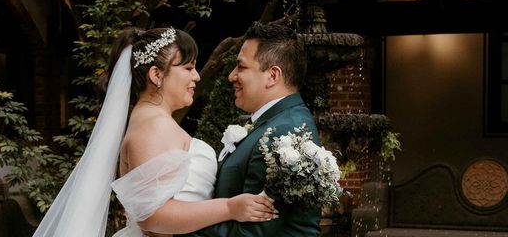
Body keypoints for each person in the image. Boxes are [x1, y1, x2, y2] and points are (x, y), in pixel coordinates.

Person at [32, 26, 276, 237]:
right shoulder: (153, 126)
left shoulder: (150, 120)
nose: (197, 76)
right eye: (189, 67)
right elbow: (153, 218)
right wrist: (230, 208)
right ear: (156, 74)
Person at [181, 21, 322, 237]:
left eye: (241, 67)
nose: (231, 76)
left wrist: (173, 228)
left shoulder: (285, 133)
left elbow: (251, 233)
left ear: (273, 76)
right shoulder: (274, 123)